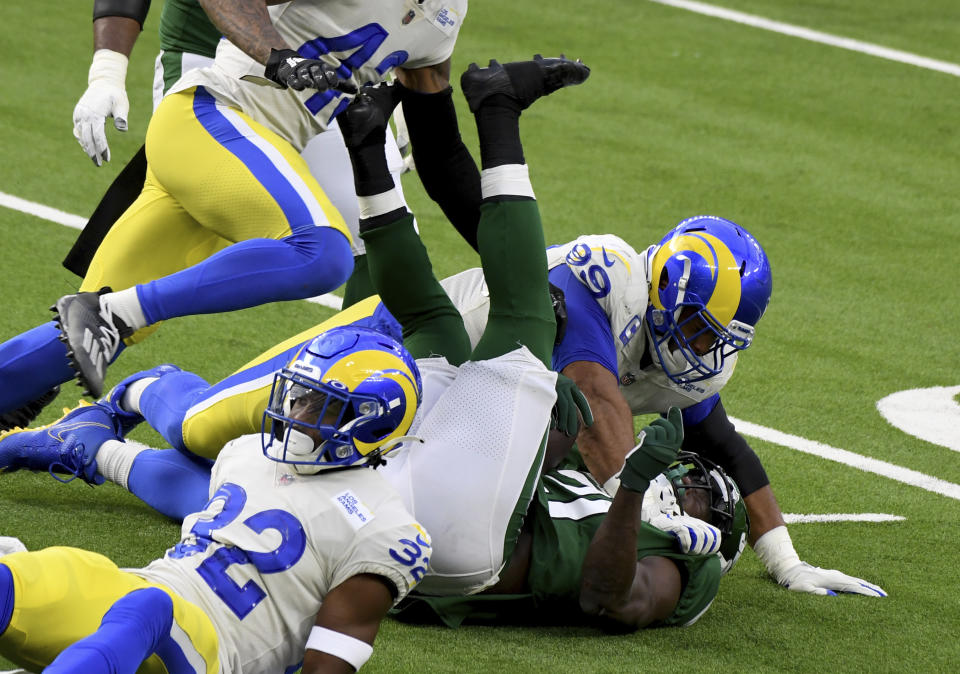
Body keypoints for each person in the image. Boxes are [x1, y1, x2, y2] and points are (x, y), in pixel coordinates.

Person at [1, 56, 745, 630]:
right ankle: (115, 416)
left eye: (706, 499)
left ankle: (101, 432)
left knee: (249, 469)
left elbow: (605, 591)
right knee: (237, 443)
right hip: (427, 420)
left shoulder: (676, 549)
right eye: (693, 478)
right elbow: (558, 439)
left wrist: (652, 496)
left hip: (435, 524)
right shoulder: (610, 307)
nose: (691, 484)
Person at [0, 0, 481, 423]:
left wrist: (520, 257)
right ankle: (115, 311)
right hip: (215, 115)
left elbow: (442, 156)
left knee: (80, 341)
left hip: (254, 148)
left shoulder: (446, 15)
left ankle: (93, 326)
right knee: (323, 252)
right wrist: (277, 55)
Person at [0, 325, 432, 673]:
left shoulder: (382, 530)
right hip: (148, 592)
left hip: (216, 653)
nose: (296, 416)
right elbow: (182, 492)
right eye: (301, 397)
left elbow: (328, 664)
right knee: (29, 574)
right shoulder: (248, 454)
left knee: (151, 610)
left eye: (323, 407)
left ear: (371, 426)